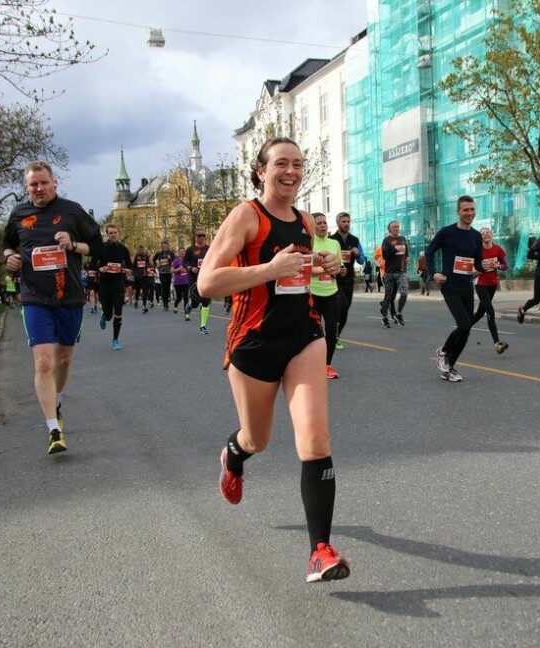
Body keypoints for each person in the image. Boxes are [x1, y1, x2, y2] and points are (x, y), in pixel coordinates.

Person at [197, 136, 350, 583]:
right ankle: (234, 454)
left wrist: (322, 267)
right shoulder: (246, 216)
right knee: (257, 439)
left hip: (304, 337)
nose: (291, 171)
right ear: (261, 171)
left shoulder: (305, 220)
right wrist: (269, 269)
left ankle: (319, 551)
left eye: (298, 165)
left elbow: (299, 272)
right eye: (281, 163)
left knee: (316, 440)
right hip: (254, 342)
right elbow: (207, 282)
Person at [2, 160, 102, 454]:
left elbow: (96, 247)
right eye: (33, 184)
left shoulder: (72, 210)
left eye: (43, 183)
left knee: (64, 359)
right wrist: (10, 257)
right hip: (34, 297)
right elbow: (7, 244)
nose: (39, 188)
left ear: (54, 183)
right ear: (26, 187)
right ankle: (53, 429)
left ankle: (55, 401)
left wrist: (73, 245)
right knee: (44, 362)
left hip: (69, 296)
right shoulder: (19, 214)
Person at [427, 196, 484, 382]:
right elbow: (429, 252)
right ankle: (443, 351)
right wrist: (434, 273)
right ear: (458, 211)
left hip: (467, 286)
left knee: (466, 331)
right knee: (464, 324)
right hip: (450, 286)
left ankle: (449, 368)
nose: (470, 213)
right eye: (466, 210)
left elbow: (477, 262)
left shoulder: (476, 236)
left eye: (472, 209)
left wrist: (480, 269)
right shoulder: (446, 232)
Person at [312, 212, 343, 378]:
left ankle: (326, 365)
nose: (323, 225)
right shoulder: (308, 244)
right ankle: (310, 364)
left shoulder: (334, 244)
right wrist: (324, 269)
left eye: (324, 222)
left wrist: (340, 269)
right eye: (318, 223)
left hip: (331, 292)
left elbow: (338, 266)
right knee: (314, 332)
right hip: (313, 293)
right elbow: (305, 271)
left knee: (332, 330)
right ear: (312, 226)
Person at [329, 211, 365, 349]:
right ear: (338, 223)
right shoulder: (332, 239)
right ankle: (332, 334)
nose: (346, 224)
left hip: (349, 278)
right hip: (334, 278)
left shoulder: (354, 240)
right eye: (343, 222)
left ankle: (337, 335)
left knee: (346, 308)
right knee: (341, 305)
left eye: (348, 222)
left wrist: (357, 254)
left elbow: (361, 260)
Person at [469, 227, 509, 353]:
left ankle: (463, 327)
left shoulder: (498, 249)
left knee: (480, 313)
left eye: (488, 233)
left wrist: (498, 266)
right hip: (480, 283)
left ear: (492, 235)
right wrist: (473, 270)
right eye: (483, 234)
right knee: (490, 311)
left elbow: (505, 266)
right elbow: (468, 264)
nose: (486, 235)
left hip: (492, 284)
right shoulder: (476, 250)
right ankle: (497, 343)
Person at [93, 224, 132, 350]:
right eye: (110, 233)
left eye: (115, 232)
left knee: (119, 311)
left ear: (118, 233)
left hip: (118, 284)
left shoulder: (123, 249)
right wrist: (100, 268)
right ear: (107, 234)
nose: (113, 235)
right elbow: (92, 265)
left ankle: (115, 339)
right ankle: (105, 315)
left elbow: (130, 267)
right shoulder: (101, 248)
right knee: (109, 315)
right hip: (105, 284)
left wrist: (127, 271)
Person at [380, 220, 409, 327]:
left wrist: (406, 257)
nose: (397, 228)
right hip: (389, 273)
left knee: (404, 292)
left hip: (401, 272)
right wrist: (394, 249)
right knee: (388, 297)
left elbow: (406, 251)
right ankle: (384, 317)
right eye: (394, 227)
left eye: (398, 226)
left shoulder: (402, 239)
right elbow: (385, 256)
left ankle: (399, 313)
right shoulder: (386, 241)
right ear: (390, 229)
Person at [184, 230, 212, 334]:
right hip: (194, 278)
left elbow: (213, 260)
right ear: (195, 237)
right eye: (200, 235)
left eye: (204, 235)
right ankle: (190, 304)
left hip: (206, 278)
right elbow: (184, 262)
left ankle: (203, 326)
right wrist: (190, 267)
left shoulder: (209, 249)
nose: (202, 237)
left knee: (205, 301)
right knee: (195, 304)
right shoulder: (190, 250)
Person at [153, 240, 175, 311]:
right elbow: (153, 260)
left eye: (166, 246)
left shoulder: (171, 253)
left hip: (169, 272)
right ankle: (165, 303)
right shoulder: (159, 254)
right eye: (163, 246)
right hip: (162, 272)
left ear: (168, 246)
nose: (164, 247)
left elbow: (175, 261)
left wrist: (170, 259)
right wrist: (156, 265)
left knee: (167, 287)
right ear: (161, 246)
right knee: (164, 286)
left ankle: (167, 298)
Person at [132, 244, 153, 313]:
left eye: (142, 249)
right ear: (137, 249)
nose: (141, 250)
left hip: (144, 275)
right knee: (137, 290)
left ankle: (144, 306)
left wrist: (149, 255)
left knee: (145, 291)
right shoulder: (136, 256)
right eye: (139, 249)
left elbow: (151, 263)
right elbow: (130, 262)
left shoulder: (145, 256)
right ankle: (136, 301)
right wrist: (134, 254)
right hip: (137, 275)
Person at [171, 248, 190, 314]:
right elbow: (172, 271)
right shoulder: (176, 261)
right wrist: (179, 269)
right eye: (180, 252)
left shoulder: (187, 261)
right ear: (178, 253)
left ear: (185, 253)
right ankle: (175, 306)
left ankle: (186, 313)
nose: (182, 253)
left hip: (186, 281)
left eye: (183, 252)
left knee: (186, 297)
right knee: (179, 298)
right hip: (178, 282)